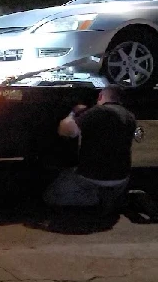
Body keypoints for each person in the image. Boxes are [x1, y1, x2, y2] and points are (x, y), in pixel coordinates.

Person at [43, 84, 137, 212]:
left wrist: (73, 112)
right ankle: (112, 196)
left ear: (100, 96)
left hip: (93, 176)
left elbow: (66, 131)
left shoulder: (97, 112)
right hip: (121, 179)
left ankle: (95, 198)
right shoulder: (130, 116)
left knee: (51, 195)